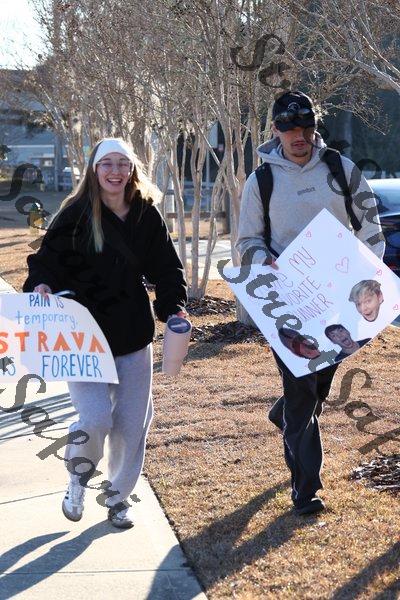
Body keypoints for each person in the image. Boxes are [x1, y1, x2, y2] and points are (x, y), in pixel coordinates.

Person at [23, 138, 188, 528]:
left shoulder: (146, 215)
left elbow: (167, 268)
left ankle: (118, 498)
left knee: (131, 426)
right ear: (94, 170)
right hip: (82, 337)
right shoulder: (75, 215)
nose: (115, 171)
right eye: (107, 164)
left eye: (122, 164)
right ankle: (78, 478)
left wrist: (173, 307)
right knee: (95, 420)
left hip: (132, 335)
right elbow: (45, 262)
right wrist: (42, 284)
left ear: (132, 169)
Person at [236, 90, 385, 515]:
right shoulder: (262, 181)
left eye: (305, 127)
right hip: (289, 306)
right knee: (302, 392)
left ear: (314, 127)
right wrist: (264, 260)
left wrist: (364, 272)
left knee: (318, 384)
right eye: (289, 129)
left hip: (339, 302)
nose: (298, 136)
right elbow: (247, 241)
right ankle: (306, 490)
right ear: (276, 131)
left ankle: (283, 414)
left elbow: (370, 226)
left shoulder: (341, 169)